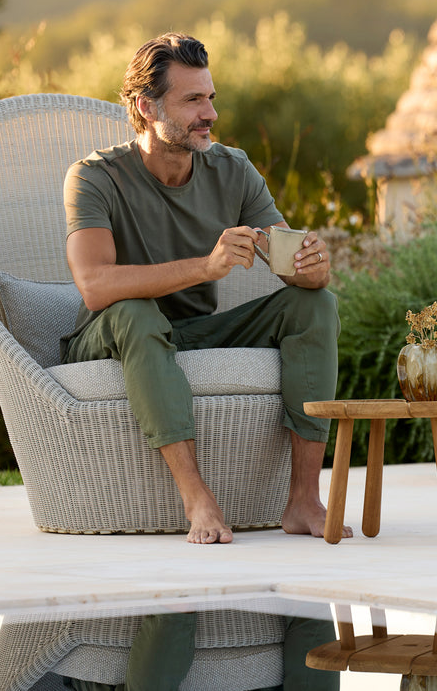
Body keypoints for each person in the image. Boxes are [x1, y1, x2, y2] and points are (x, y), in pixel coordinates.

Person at [61, 32, 351, 544]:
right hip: (110, 336)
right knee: (136, 312)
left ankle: (304, 500)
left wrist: (313, 267)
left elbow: (290, 264)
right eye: (192, 99)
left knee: (315, 305)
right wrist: (206, 266)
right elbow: (94, 285)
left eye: (210, 97)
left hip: (194, 331)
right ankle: (197, 499)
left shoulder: (232, 169)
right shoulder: (94, 177)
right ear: (147, 106)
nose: (210, 113)